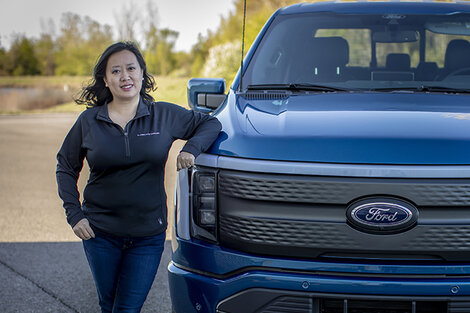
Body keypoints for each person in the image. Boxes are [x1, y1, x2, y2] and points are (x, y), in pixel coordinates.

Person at [56, 41, 221, 313]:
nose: (125, 76)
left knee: (126, 308)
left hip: (147, 236)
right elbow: (65, 165)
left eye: (131, 68)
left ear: (142, 74)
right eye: (116, 71)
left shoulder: (164, 115)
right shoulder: (89, 122)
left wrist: (191, 148)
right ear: (105, 80)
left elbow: (210, 123)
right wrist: (74, 214)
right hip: (100, 233)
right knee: (108, 305)